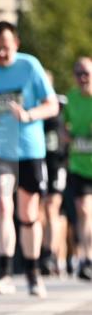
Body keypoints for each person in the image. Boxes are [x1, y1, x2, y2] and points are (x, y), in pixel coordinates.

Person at [0, 22, 58, 297]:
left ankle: (33, 273)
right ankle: (3, 273)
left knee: (27, 214)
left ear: (16, 43)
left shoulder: (30, 66)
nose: (2, 53)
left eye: (6, 46)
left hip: (29, 150)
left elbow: (51, 105)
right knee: (2, 205)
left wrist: (28, 115)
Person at [64, 56, 92, 280]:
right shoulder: (71, 98)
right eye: (79, 73)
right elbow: (64, 127)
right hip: (79, 165)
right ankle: (86, 258)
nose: (83, 78)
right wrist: (68, 135)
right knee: (84, 211)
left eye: (87, 73)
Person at [40, 72, 69, 276]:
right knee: (41, 212)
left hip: (58, 163)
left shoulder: (62, 104)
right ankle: (49, 253)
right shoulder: (33, 104)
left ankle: (52, 255)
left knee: (53, 208)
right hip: (40, 161)